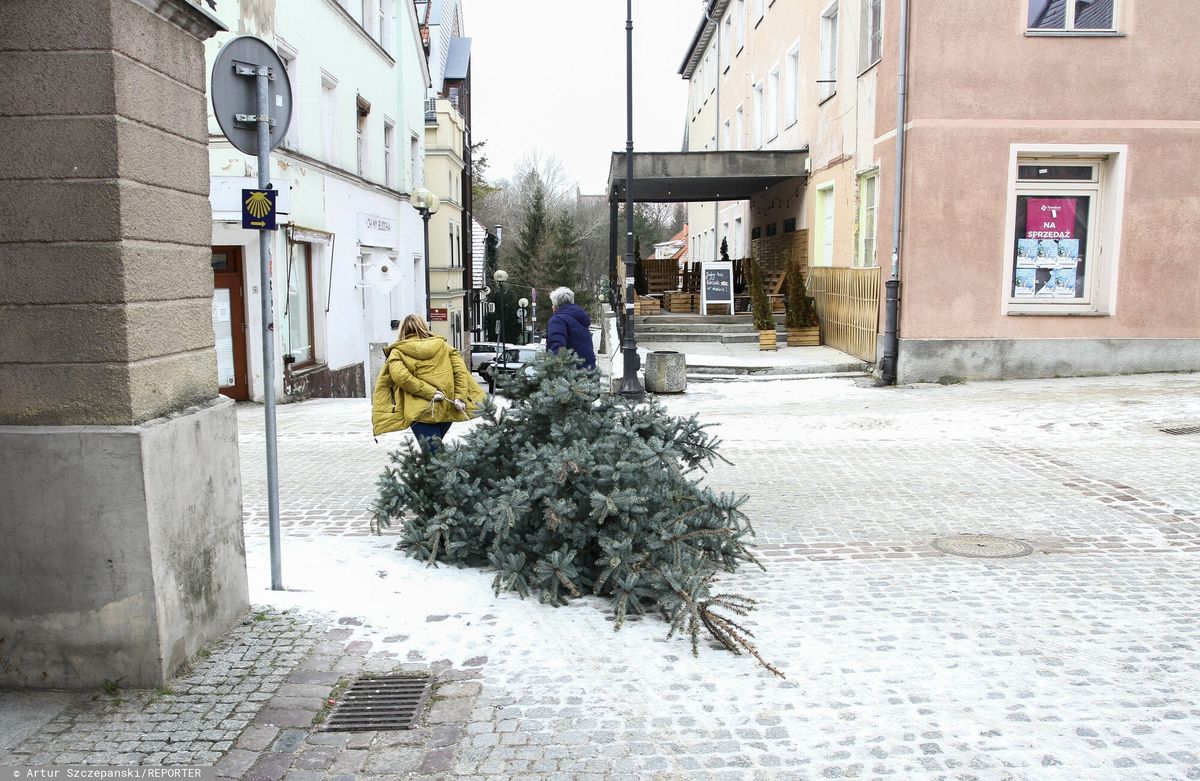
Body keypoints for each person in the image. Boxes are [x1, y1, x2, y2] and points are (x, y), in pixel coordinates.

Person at [371, 314, 485, 453]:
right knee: (434, 454)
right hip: (446, 407)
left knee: (434, 456)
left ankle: (442, 474)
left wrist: (430, 392)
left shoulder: (398, 352)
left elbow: (402, 378)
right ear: (424, 326)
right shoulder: (444, 346)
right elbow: (460, 373)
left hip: (419, 412)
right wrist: (459, 397)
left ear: (402, 330)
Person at [546, 286, 596, 370]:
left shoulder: (558, 320)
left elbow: (556, 349)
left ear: (555, 305)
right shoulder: (580, 319)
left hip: (570, 375)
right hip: (587, 372)